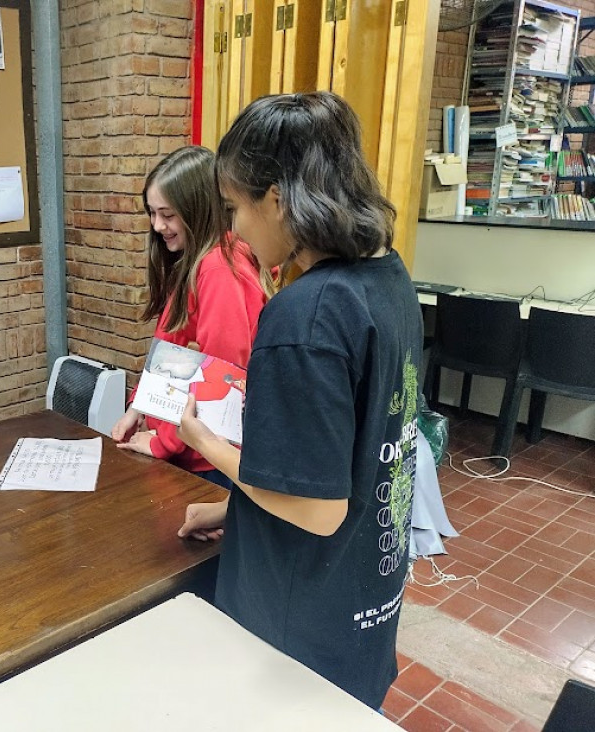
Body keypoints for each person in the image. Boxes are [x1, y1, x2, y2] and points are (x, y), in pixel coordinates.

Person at [176, 92, 423, 711]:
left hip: (297, 632)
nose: (232, 229)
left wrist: (205, 442)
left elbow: (317, 508)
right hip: (363, 600)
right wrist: (239, 511)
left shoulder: (307, 315)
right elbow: (348, 459)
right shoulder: (389, 279)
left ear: (278, 200)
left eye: (234, 208)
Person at [111, 146, 269, 490]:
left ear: (197, 209)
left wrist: (162, 442)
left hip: (207, 460)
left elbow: (219, 378)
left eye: (167, 214)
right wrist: (139, 406)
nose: (158, 226)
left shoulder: (218, 270)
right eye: (152, 213)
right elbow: (173, 351)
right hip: (190, 449)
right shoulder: (197, 262)